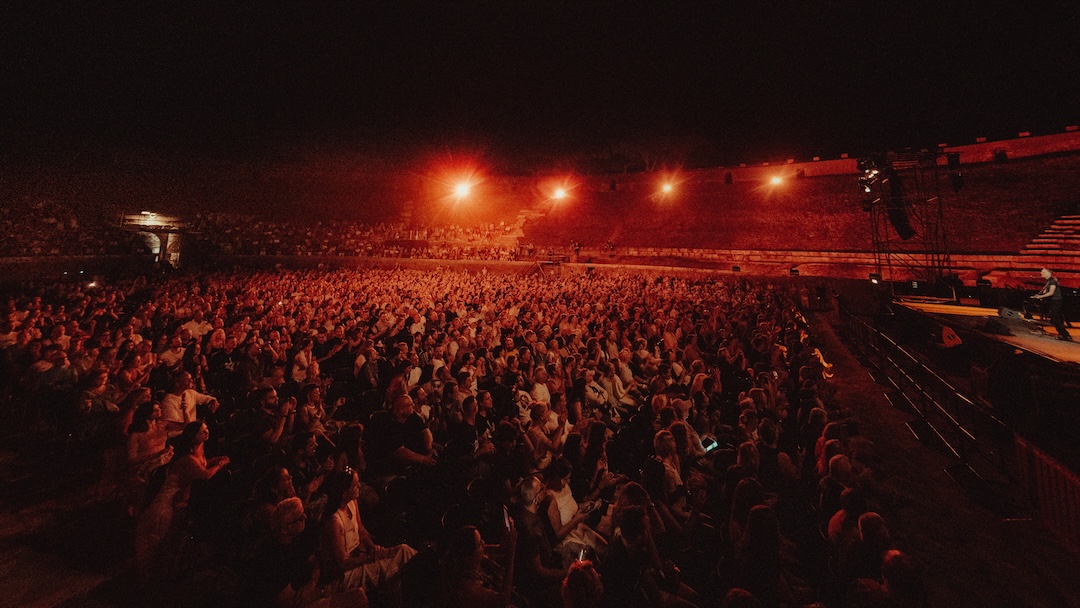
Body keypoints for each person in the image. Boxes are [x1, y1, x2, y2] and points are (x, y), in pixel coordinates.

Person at [1031, 268, 1072, 341]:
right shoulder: (1049, 281)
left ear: (1049, 273)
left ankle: (1065, 334)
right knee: (1055, 318)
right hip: (1053, 301)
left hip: (1056, 301)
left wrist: (1040, 296)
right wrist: (1039, 295)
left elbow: (1051, 293)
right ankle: (1063, 334)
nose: (1041, 273)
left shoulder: (1052, 281)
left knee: (1055, 318)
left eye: (1043, 272)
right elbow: (1046, 291)